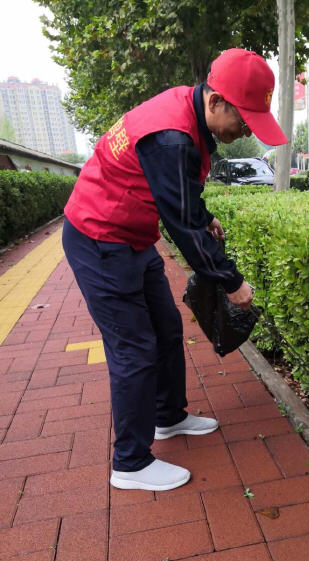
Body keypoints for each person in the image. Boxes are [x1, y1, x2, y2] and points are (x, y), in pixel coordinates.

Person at [62, 49, 287, 492]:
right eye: (244, 120)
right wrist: (232, 282)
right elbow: (181, 225)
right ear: (216, 101)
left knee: (166, 328)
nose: (245, 131)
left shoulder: (189, 115)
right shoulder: (171, 135)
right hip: (99, 239)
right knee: (134, 349)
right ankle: (130, 463)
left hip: (131, 236)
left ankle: (168, 417)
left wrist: (206, 218)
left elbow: (182, 196)